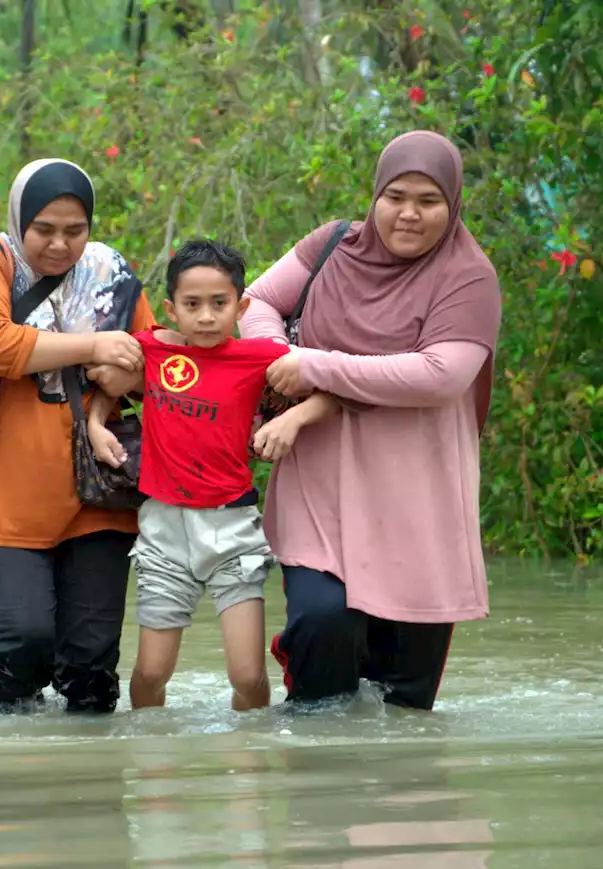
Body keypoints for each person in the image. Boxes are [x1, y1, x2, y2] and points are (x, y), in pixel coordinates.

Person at [239, 130, 502, 711]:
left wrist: (316, 364)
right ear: (375, 195)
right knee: (322, 625)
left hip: (418, 493)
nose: (408, 214)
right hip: (321, 478)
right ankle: (314, 778)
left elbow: (441, 374)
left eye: (428, 201)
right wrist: (278, 358)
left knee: (404, 699)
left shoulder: (468, 276)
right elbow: (255, 302)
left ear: (452, 205)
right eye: (396, 196)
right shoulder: (332, 245)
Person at [0, 157, 156, 714]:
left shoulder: (111, 270)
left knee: (90, 665)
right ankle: (10, 765)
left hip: (99, 487)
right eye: (44, 229)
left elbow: (147, 355)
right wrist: (92, 348)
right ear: (19, 220)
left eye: (75, 230)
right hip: (4, 488)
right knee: (22, 640)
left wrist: (107, 395)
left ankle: (87, 789)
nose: (60, 245)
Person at [86, 239, 336, 711]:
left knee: (246, 675)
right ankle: (152, 764)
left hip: (234, 531)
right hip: (164, 530)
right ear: (171, 309)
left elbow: (333, 392)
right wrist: (97, 423)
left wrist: (292, 419)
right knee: (152, 672)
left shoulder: (260, 357)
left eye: (219, 304)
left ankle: (250, 767)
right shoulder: (152, 349)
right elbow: (108, 376)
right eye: (192, 305)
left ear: (241, 306)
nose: (205, 317)